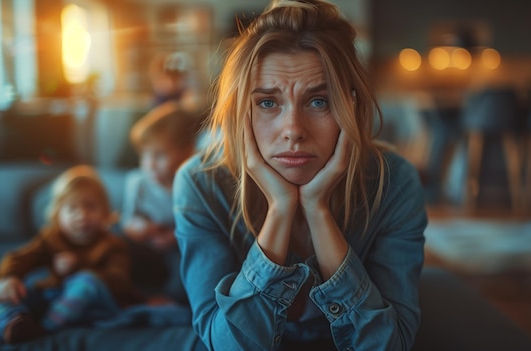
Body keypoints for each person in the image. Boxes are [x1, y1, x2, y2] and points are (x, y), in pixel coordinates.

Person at [172, 1, 428, 350]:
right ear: (239, 112)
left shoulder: (393, 182)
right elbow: (226, 344)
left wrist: (318, 211)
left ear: (349, 107)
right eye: (267, 103)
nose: (293, 129)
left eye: (319, 101)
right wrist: (280, 209)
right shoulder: (201, 185)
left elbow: (387, 345)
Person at [0, 165, 135, 344]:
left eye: (90, 206)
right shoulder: (51, 239)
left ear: (105, 212)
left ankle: (45, 328)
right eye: (72, 208)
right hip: (54, 299)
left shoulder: (112, 245)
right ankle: (15, 321)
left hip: (93, 304)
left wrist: (79, 267)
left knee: (86, 281)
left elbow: (119, 280)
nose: (82, 215)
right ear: (57, 214)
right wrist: (10, 277)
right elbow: (19, 257)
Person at [122, 101, 203, 304]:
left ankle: (170, 297)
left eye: (159, 155)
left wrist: (175, 237)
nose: (149, 164)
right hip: (149, 241)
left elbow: (204, 224)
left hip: (181, 241)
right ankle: (122, 289)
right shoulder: (137, 182)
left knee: (191, 252)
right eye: (144, 155)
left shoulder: (195, 183)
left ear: (188, 151)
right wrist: (139, 228)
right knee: (113, 240)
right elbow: (128, 220)